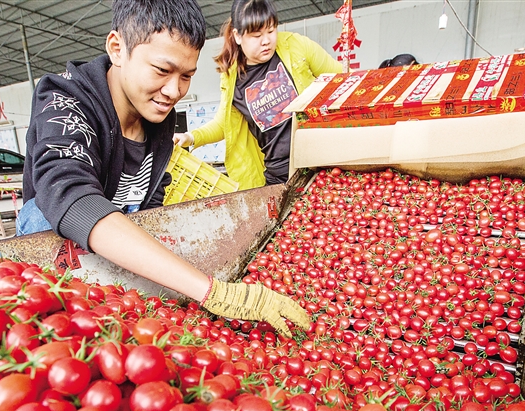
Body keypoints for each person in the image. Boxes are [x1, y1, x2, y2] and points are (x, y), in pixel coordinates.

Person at [17, 0, 310, 337]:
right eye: (161, 70)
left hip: (118, 280)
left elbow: (150, 204)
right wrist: (211, 291)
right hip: (56, 270)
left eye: (186, 76)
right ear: (117, 48)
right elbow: (70, 196)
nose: (174, 91)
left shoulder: (158, 119)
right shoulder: (64, 99)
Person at [173, 0, 342, 190]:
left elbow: (341, 80)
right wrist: (191, 137)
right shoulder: (232, 79)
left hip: (320, 164)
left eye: (271, 31)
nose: (266, 41)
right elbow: (223, 124)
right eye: (256, 35)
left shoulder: (296, 46)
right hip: (279, 176)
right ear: (237, 36)